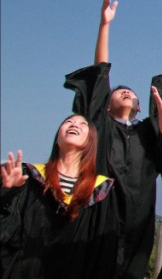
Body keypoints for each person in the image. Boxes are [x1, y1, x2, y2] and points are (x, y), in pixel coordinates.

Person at [63, 0, 162, 279]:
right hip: (98, 217)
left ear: (141, 106)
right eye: (119, 91)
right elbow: (100, 73)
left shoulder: (147, 132)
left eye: (130, 92)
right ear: (106, 104)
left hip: (139, 220)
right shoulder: (100, 128)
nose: (125, 91)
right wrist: (105, 25)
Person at [0, 114, 120, 278]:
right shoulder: (29, 177)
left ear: (91, 142)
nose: (74, 125)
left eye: (82, 124)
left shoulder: (102, 190)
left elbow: (105, 251)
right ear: (57, 139)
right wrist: (7, 192)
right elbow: (6, 231)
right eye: (68, 122)